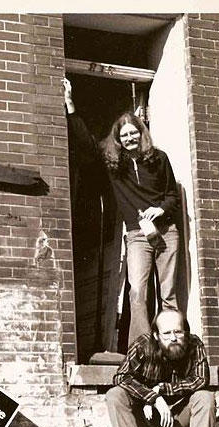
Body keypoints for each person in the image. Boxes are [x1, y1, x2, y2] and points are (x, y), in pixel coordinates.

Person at [63, 79, 181, 345]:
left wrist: (160, 209)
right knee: (137, 290)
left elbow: (172, 195)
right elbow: (87, 144)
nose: (129, 139)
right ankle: (142, 348)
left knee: (168, 293)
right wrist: (70, 106)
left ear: (142, 134)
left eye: (133, 133)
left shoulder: (159, 159)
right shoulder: (115, 164)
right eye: (124, 135)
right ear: (118, 139)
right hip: (138, 235)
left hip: (166, 232)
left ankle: (172, 345)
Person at [105, 309, 219, 427]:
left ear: (185, 332)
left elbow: (200, 379)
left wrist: (164, 388)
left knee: (205, 397)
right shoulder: (142, 345)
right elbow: (121, 377)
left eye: (178, 332)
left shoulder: (194, 344)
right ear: (156, 335)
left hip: (179, 419)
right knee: (115, 394)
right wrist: (153, 397)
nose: (173, 338)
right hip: (147, 418)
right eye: (166, 333)